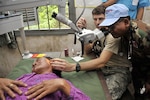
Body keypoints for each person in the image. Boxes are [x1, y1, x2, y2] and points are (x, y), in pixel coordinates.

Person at [51, 5, 132, 100]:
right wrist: (84, 34)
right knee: (80, 86)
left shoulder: (114, 36)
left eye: (101, 19)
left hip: (118, 71)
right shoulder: (98, 32)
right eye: (95, 19)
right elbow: (88, 51)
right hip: (103, 69)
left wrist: (73, 66)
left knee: (103, 96)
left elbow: (102, 61)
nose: (97, 23)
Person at [99, 4, 150, 100]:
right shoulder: (123, 32)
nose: (110, 31)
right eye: (108, 27)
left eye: (112, 27)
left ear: (126, 22)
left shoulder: (143, 35)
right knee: (139, 94)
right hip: (139, 66)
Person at [5, 57, 90, 100]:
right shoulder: (24, 76)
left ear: (52, 62)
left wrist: (62, 84)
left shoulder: (59, 83)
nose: (34, 64)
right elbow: (7, 88)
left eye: (38, 61)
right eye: (33, 63)